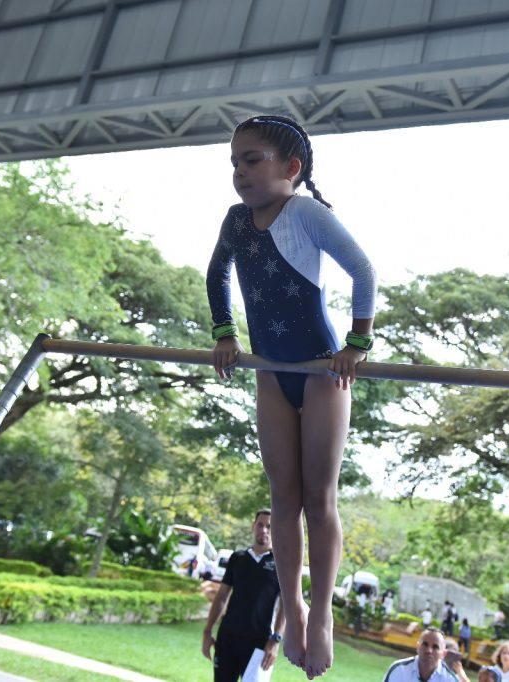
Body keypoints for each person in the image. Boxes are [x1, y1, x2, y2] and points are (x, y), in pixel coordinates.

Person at [207, 114, 377, 678]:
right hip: (270, 371)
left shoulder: (306, 214)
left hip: (322, 370)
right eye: (234, 162)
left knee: (317, 498)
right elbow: (217, 276)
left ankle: (322, 611)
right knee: (283, 498)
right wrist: (225, 334)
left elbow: (363, 270)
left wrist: (357, 340)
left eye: (252, 160)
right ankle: (296, 605)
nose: (240, 172)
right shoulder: (235, 222)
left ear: (291, 168)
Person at [202, 510, 286, 682]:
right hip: (228, 638)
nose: (264, 530)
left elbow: (286, 605)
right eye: (260, 525)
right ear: (253, 527)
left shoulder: (281, 564)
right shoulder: (237, 558)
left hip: (259, 643)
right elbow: (222, 596)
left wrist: (275, 640)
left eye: (269, 527)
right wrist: (208, 631)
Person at [383, 627, 460, 682]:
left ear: (443, 653)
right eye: (425, 644)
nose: (429, 650)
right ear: (418, 647)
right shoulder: (398, 670)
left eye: (435, 647)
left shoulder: (450, 679)